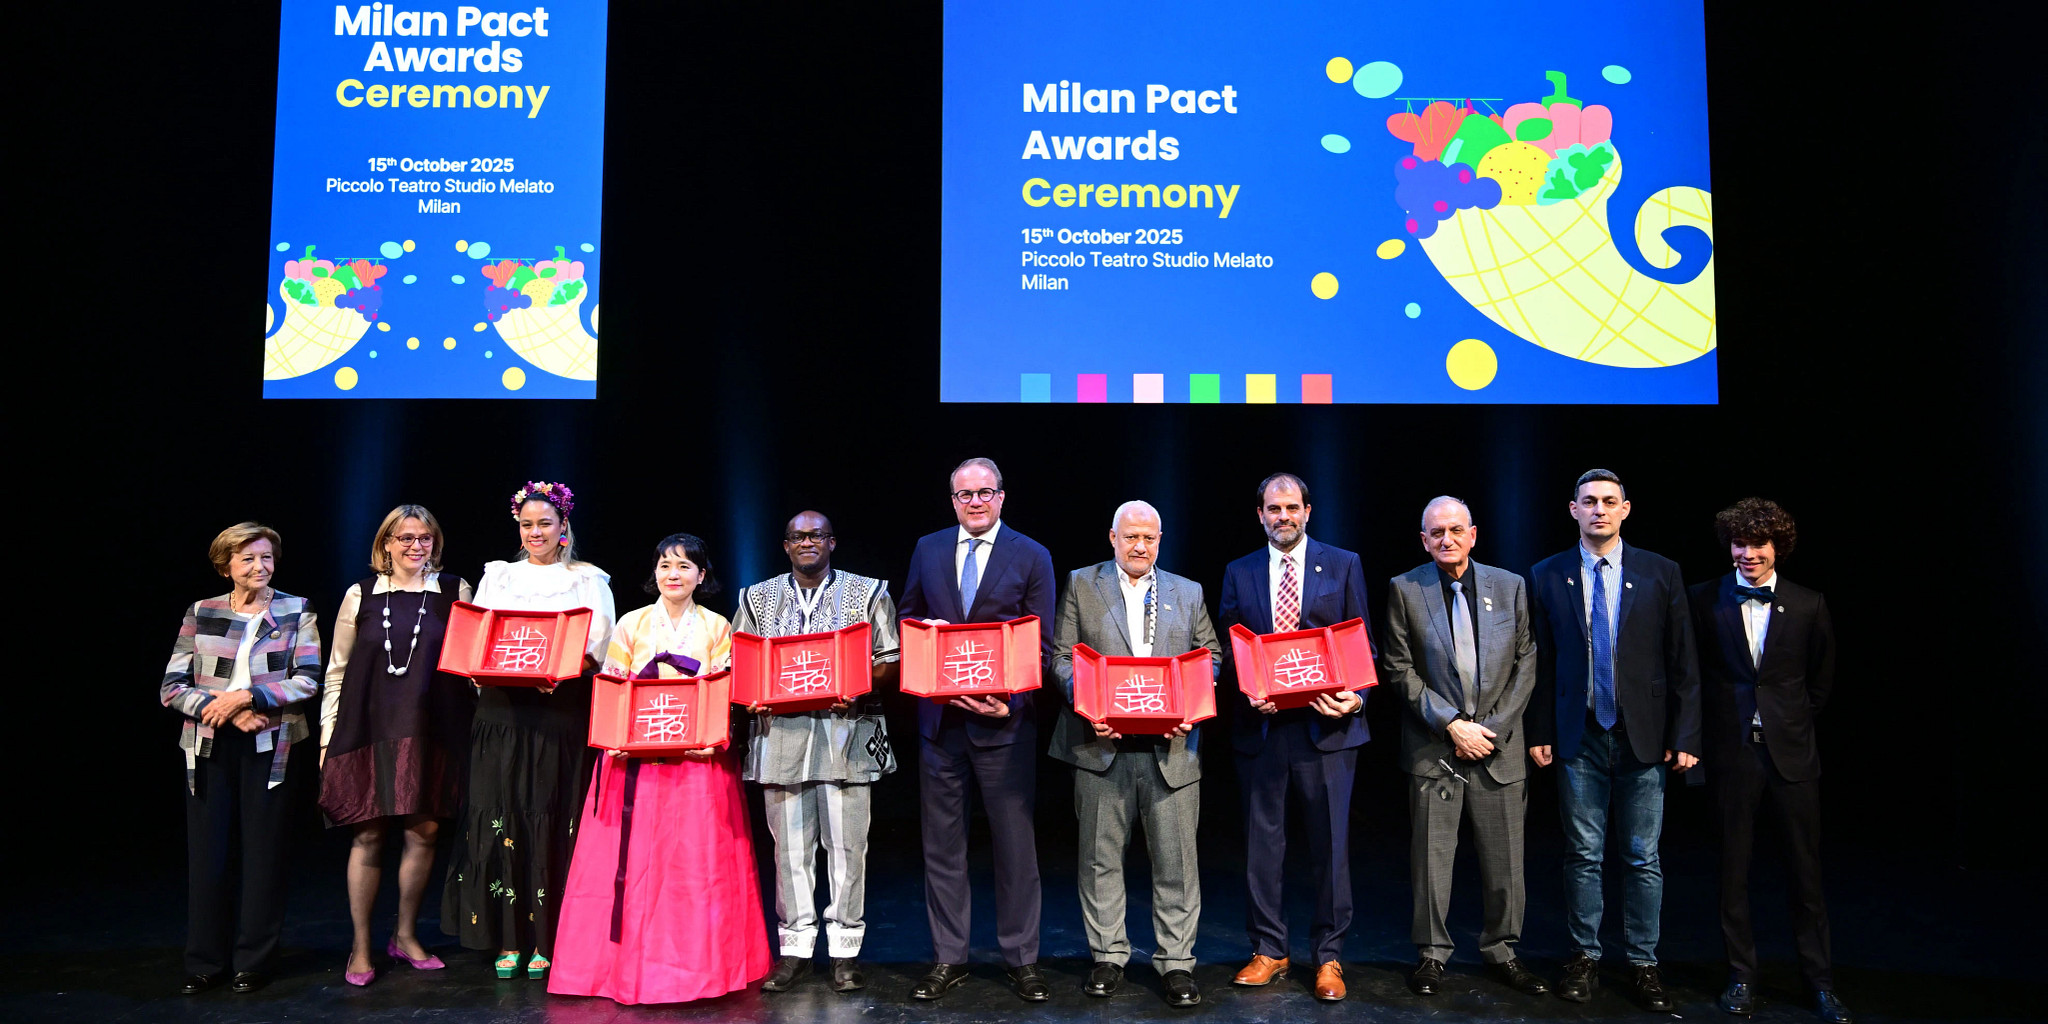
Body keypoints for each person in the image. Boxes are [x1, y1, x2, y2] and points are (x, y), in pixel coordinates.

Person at [548, 533, 773, 1004]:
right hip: (638, 762)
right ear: (654, 574)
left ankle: (700, 969)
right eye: (666, 566)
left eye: (685, 567)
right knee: (635, 868)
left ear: (702, 576)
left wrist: (707, 739)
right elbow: (611, 687)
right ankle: (625, 969)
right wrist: (620, 740)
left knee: (697, 867)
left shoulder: (717, 627)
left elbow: (722, 692)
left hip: (697, 763)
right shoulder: (632, 623)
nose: (674, 575)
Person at [1526, 469, 1701, 1010]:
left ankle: (1644, 963)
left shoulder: (1660, 572)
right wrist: (1540, 730)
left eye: (1609, 501)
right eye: (1589, 502)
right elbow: (1539, 661)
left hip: (1643, 737)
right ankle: (1585, 956)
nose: (1599, 509)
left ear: (1626, 508)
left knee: (1641, 856)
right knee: (1583, 853)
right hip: (1578, 736)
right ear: (1573, 510)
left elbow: (1683, 661)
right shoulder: (1547, 573)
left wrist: (1685, 733)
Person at [898, 457, 1057, 1002]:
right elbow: (907, 617)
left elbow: (1042, 644)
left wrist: (1008, 701)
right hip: (940, 725)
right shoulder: (929, 548)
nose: (975, 503)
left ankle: (1022, 959)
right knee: (942, 846)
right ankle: (949, 957)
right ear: (953, 501)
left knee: (1015, 846)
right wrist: (923, 632)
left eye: (985, 493)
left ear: (1002, 497)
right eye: (964, 495)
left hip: (1004, 724)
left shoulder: (1032, 555)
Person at [444, 481, 616, 981]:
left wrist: (562, 670)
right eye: (527, 524)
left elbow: (598, 649)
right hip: (501, 712)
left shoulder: (588, 580)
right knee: (501, 814)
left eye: (545, 523)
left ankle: (549, 936)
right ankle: (507, 936)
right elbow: (481, 635)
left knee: (548, 811)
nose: (535, 532)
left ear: (564, 527)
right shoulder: (498, 575)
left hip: (557, 710)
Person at [1049, 500, 1218, 1008]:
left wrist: (1194, 700)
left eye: (1149, 538)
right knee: (1099, 859)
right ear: (1113, 538)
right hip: (1102, 746)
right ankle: (1108, 956)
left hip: (1172, 748)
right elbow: (1060, 656)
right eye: (1130, 537)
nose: (1140, 546)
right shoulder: (1082, 583)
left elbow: (1210, 657)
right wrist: (1087, 703)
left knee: (1177, 863)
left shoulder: (1188, 592)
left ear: (1159, 540)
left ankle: (1176, 963)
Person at [1690, 499, 1851, 1024]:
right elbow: (1693, 678)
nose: (1748, 554)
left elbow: (1820, 684)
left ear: (1776, 547)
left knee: (1805, 875)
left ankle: (1820, 983)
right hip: (1732, 754)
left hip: (1791, 756)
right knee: (1733, 871)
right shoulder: (1704, 600)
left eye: (1758, 545)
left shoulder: (1809, 604)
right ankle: (1741, 977)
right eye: (1740, 544)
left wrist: (1788, 723)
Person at [1382, 497, 1547, 998]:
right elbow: (1398, 667)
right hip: (1436, 748)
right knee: (1432, 862)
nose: (1446, 540)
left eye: (1455, 530)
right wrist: (1452, 723)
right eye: (1436, 533)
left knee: (1505, 863)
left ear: (1473, 534)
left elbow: (1526, 662)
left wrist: (1489, 729)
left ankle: (1503, 951)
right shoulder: (1405, 589)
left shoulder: (1510, 585)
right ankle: (1432, 955)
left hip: (1498, 749)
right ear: (1424, 540)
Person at [733, 511, 901, 994]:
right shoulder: (756, 597)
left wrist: (858, 681)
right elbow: (741, 665)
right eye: (798, 537)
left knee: (848, 850)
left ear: (832, 541)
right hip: (780, 739)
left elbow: (889, 661)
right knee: (789, 851)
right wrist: (752, 692)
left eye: (816, 535)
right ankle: (795, 950)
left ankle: (845, 953)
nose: (808, 543)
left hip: (845, 737)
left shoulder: (869, 592)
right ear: (785, 545)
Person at [1218, 473, 1371, 1002]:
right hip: (1262, 730)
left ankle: (1329, 957)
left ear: (1308, 511)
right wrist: (1246, 692)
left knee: (1330, 847)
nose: (1282, 516)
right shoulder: (1239, 572)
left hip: (1327, 727)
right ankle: (1269, 949)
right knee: (1263, 846)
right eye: (1272, 508)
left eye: (1291, 507)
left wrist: (1356, 698)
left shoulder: (1344, 562)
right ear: (1259, 514)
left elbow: (1361, 640)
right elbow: (1229, 646)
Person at [161, 522, 322, 995]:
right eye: (249, 558)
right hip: (209, 742)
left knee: (263, 854)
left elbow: (308, 678)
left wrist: (249, 698)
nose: (260, 567)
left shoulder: (297, 610)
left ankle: (254, 959)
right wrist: (229, 713)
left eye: (267, 558)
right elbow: (172, 686)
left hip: (271, 744)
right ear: (226, 564)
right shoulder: (202, 611)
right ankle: (205, 961)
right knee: (208, 856)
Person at [318, 505, 475, 986]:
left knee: (423, 832)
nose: (415, 546)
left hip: (432, 728)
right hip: (366, 729)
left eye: (424, 538)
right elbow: (337, 671)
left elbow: (472, 665)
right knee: (367, 835)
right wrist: (327, 741)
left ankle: (405, 935)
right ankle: (361, 946)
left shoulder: (455, 591)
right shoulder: (360, 595)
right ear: (386, 543)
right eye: (405, 538)